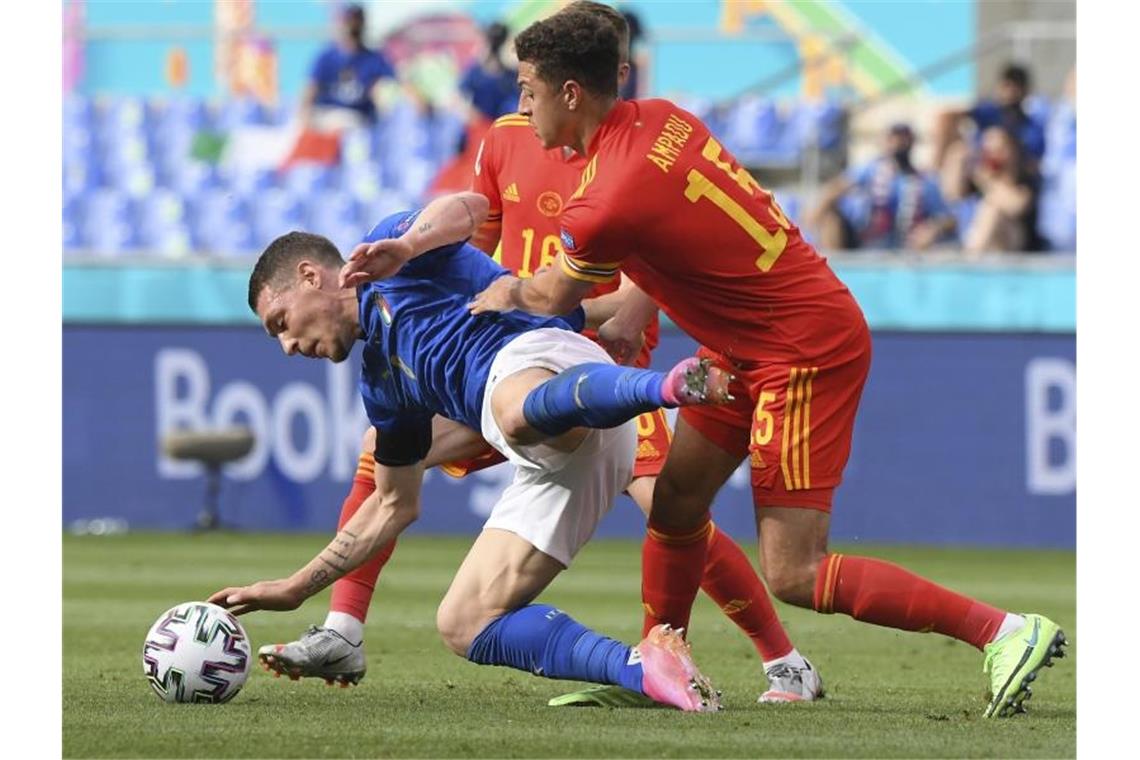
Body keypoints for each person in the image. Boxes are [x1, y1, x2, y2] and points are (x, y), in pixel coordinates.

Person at [466, 4, 1068, 718]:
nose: (521, 105)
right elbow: (686, 235)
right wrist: (640, 299)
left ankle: (1002, 631)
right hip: (749, 339)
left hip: (800, 347)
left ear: (571, 94)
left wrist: (500, 289)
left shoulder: (605, 199)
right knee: (681, 500)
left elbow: (548, 294)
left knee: (795, 571)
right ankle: (666, 661)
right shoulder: (661, 120)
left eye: (529, 88)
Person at [262, 0, 821, 708]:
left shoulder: (636, 148)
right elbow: (472, 235)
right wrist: (456, 300)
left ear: (579, 85)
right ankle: (344, 625)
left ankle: (780, 660)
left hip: (589, 351)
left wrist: (638, 305)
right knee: (386, 450)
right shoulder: (505, 139)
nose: (529, 99)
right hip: (499, 352)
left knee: (670, 507)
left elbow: (675, 247)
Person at [209, 191, 729, 712]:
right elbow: (393, 505)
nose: (288, 346)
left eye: (280, 322)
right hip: (558, 452)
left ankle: (668, 387)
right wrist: (298, 587)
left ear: (309, 276)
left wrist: (408, 244)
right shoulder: (382, 386)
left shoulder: (388, 254)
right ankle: (647, 667)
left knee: (509, 411)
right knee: (462, 623)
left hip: (549, 365)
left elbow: (471, 207)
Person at [809, 123, 955, 251]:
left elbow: (949, 219)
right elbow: (837, 187)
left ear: (912, 141)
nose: (899, 143)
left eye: (904, 137)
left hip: (906, 246)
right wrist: (818, 211)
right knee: (830, 216)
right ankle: (834, 268)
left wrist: (933, 229)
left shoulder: (925, 181)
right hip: (864, 242)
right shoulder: (870, 170)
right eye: (894, 137)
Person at [935, 63, 1045, 203]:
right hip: (979, 172)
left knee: (999, 140)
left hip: (1009, 180)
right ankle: (948, 200)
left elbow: (1033, 165)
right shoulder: (990, 112)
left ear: (1024, 91)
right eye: (1006, 86)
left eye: (1015, 88)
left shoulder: (1033, 127)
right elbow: (950, 116)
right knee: (959, 153)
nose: (1010, 93)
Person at [299, 3, 396, 129]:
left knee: (350, 123)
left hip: (359, 121)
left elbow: (388, 91)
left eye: (357, 22)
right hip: (326, 118)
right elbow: (309, 91)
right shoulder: (327, 57)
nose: (353, 27)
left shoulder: (374, 59)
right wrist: (304, 116)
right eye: (349, 22)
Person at [962, 126, 1043, 255]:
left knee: (992, 211)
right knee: (988, 209)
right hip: (987, 247)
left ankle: (971, 259)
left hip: (1019, 247)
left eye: (1000, 150)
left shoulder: (1026, 180)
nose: (995, 155)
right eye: (989, 151)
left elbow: (1017, 205)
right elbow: (952, 195)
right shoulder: (979, 182)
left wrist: (988, 184)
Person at [459, 22, 519, 123]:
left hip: (504, 125)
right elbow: (459, 96)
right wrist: (471, 113)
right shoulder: (475, 72)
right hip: (482, 127)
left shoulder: (511, 75)